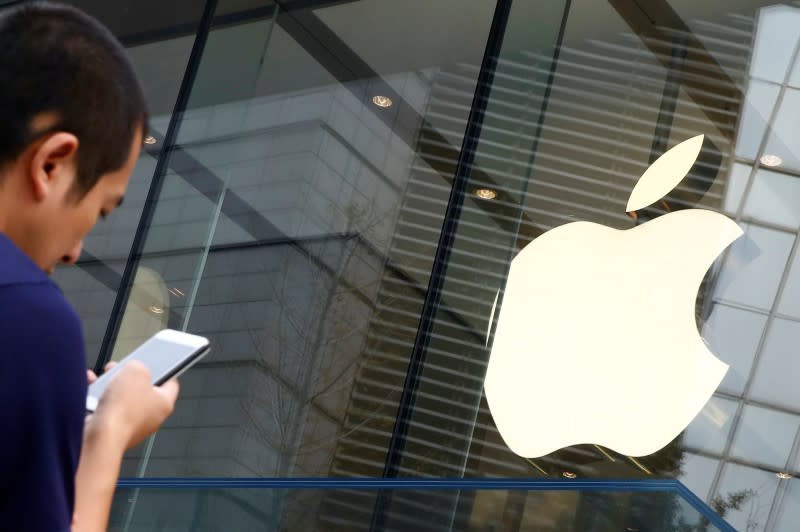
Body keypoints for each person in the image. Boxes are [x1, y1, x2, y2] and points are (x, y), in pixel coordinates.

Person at [0, 2, 180, 531]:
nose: (76, 251)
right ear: (51, 162)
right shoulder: (26, 314)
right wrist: (109, 436)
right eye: (100, 209)